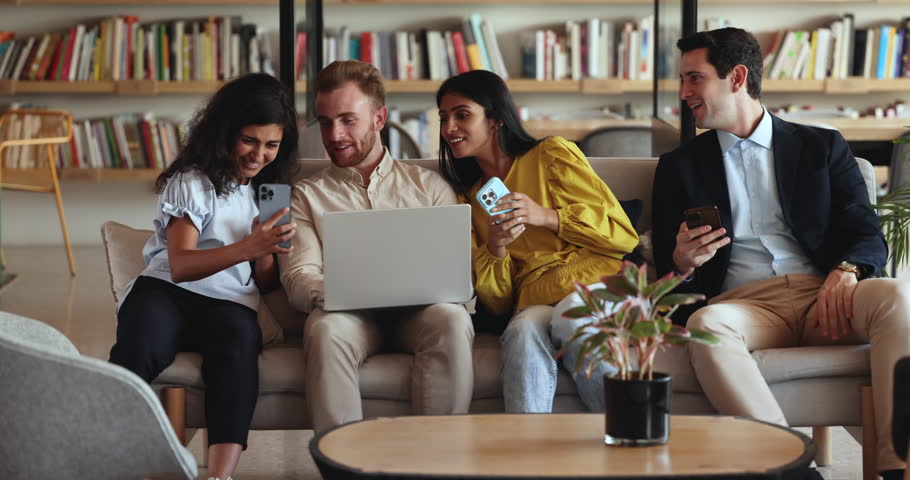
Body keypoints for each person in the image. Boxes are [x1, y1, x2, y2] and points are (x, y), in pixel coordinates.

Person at [652, 27, 909, 479]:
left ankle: (898, 464)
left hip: (825, 296)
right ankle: (792, 467)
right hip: (746, 306)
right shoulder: (680, 167)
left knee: (896, 295)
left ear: (736, 78)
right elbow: (667, 276)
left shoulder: (821, 146)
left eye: (695, 78)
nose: (683, 92)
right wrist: (683, 263)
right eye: (683, 80)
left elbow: (864, 229)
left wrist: (847, 270)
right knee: (706, 325)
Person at [108, 73, 299, 480]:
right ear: (226, 132)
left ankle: (219, 476)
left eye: (271, 145)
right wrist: (248, 247)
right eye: (249, 140)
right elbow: (181, 265)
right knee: (141, 347)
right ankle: (104, 456)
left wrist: (265, 250)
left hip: (228, 303)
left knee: (239, 350)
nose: (258, 154)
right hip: (166, 291)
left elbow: (264, 281)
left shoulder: (265, 191)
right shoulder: (193, 180)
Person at [278, 60, 474, 434]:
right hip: (347, 317)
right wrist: (340, 292)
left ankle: (440, 457)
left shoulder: (430, 187)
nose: (334, 134)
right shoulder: (306, 195)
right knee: (324, 329)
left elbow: (457, 274)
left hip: (419, 316)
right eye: (326, 122)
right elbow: (299, 276)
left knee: (452, 319)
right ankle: (341, 459)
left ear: (379, 118)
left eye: (347, 120)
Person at [436, 70, 639, 413]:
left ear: (496, 119)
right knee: (520, 332)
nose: (448, 128)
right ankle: (527, 442)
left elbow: (621, 234)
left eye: (462, 115)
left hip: (595, 282)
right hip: (537, 297)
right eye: (444, 118)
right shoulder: (468, 200)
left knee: (570, 317)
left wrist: (546, 216)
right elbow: (498, 304)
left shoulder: (550, 154)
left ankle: (630, 427)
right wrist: (497, 248)